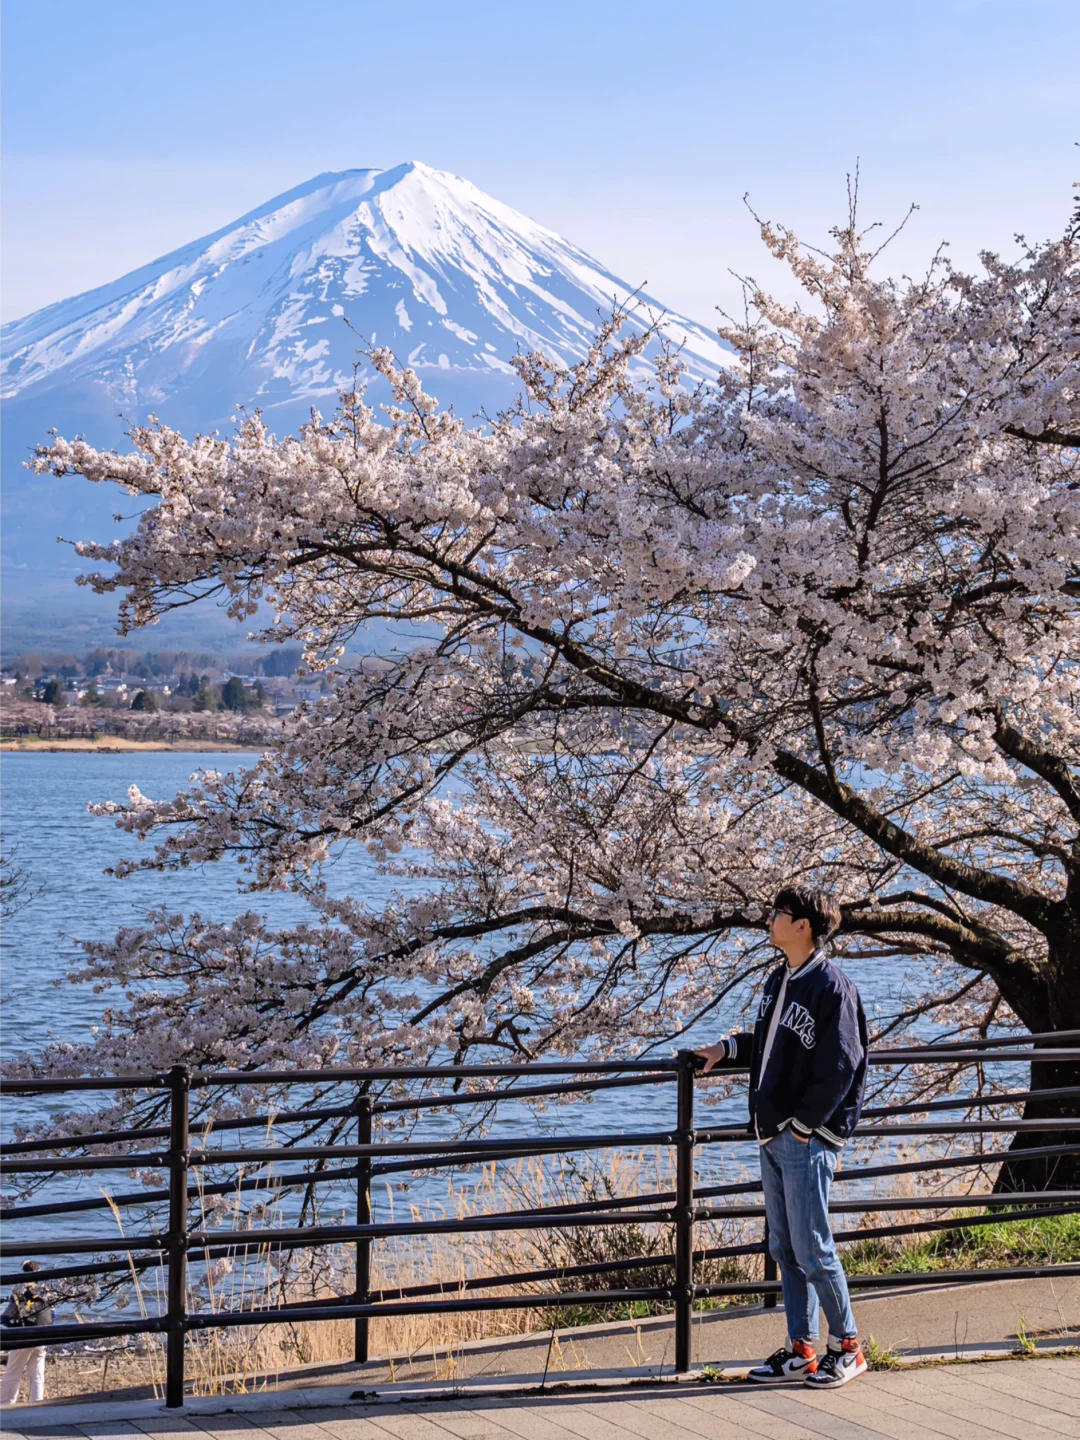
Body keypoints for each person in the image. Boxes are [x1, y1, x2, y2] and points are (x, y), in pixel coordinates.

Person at [696, 885, 868, 1388]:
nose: (770, 920)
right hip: (772, 1134)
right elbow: (771, 1043)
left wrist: (802, 1127)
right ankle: (802, 1349)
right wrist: (727, 1049)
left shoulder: (832, 988)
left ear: (804, 927)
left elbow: (842, 1066)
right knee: (785, 1248)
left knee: (813, 1247)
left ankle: (849, 1347)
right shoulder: (779, 979)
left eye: (780, 914)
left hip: (804, 1139)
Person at [0, 1260, 53, 1405]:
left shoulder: (19, 1290)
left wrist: (11, 1329)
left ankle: (6, 1403)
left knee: (13, 1372)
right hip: (42, 1335)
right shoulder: (45, 1291)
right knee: (37, 1374)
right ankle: (37, 1403)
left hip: (23, 1335)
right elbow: (52, 1315)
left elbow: (6, 1317)